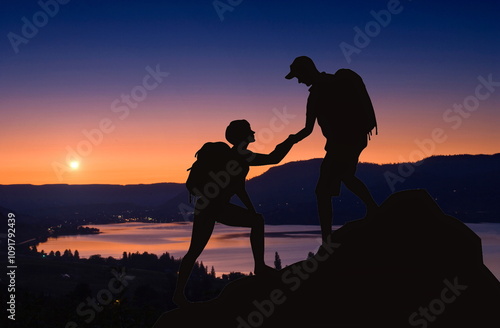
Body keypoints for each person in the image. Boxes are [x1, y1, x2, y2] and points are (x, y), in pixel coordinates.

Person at [173, 120, 296, 306]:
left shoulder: (234, 157)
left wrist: (252, 212)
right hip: (217, 207)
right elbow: (274, 158)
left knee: (194, 251)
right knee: (256, 222)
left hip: (205, 207)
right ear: (242, 136)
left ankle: (178, 295)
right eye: (249, 131)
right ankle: (260, 267)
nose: (253, 133)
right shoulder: (241, 157)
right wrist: (289, 141)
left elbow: (240, 189)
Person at [285, 56, 378, 243]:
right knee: (346, 176)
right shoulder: (335, 83)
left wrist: (289, 141)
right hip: (356, 139)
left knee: (323, 191)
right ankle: (373, 209)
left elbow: (308, 129)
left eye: (299, 76)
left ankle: (327, 239)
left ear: (307, 71)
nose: (299, 81)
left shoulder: (317, 93)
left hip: (341, 143)